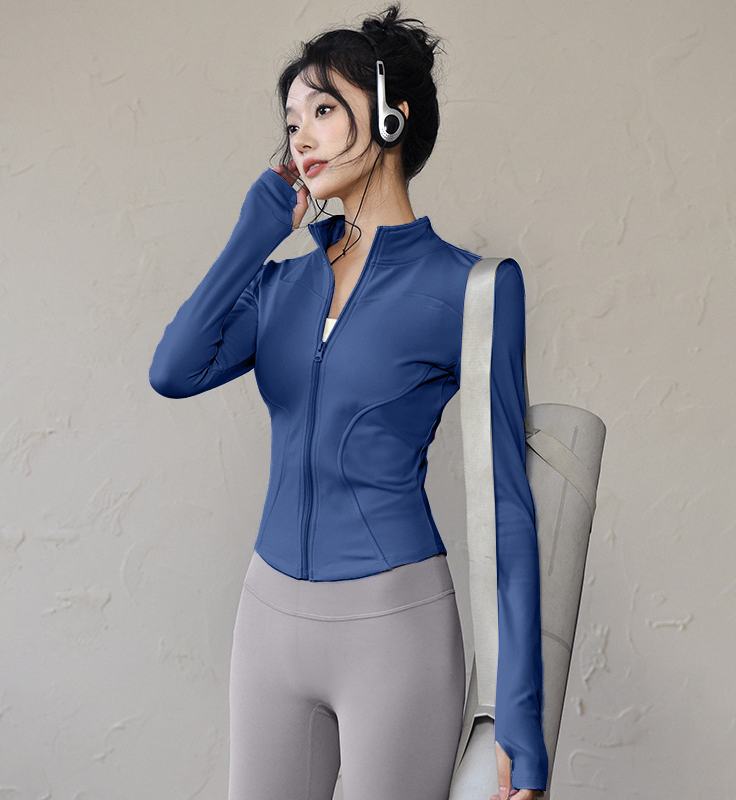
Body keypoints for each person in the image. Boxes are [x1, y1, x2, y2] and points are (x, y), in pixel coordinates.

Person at [148, 3, 548, 799]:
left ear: (392, 118)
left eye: (324, 110)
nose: (300, 136)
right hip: (268, 623)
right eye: (291, 121)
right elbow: (172, 369)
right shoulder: (279, 286)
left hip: (394, 630)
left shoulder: (472, 288)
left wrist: (520, 719)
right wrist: (255, 233)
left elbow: (508, 506)